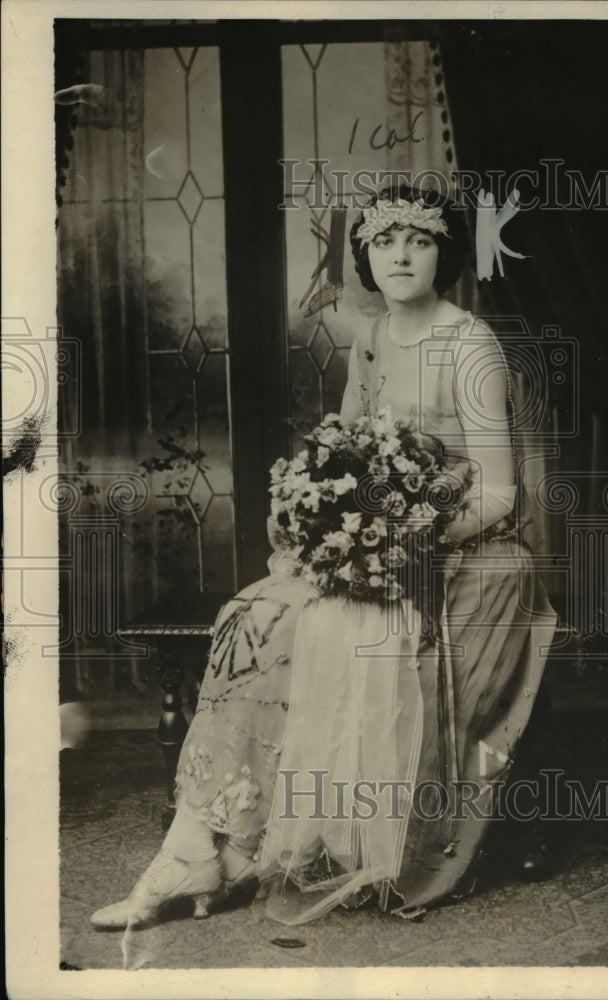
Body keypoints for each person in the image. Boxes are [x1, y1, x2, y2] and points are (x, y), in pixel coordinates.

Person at [90, 185, 556, 933]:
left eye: (420, 240)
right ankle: (206, 844)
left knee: (360, 637)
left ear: (447, 253)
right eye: (383, 241)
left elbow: (501, 493)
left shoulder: (471, 343)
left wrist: (411, 533)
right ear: (365, 257)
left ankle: (337, 841)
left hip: (465, 550)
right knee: (252, 616)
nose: (400, 255)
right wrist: (318, 512)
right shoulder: (369, 337)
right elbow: (341, 446)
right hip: (375, 544)